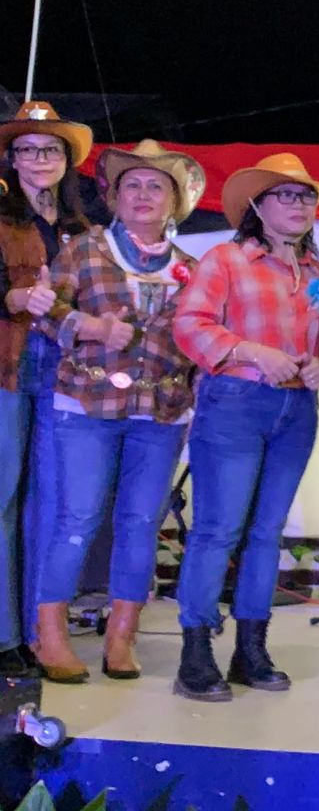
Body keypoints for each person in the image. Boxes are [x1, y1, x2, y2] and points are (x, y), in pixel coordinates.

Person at [171, 153, 319, 702]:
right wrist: (254, 352)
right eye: (286, 195)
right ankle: (195, 652)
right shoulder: (226, 260)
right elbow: (189, 324)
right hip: (234, 403)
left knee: (266, 531)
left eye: (306, 196)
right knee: (218, 529)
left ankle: (251, 649)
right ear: (258, 205)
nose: (299, 205)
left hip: (296, 410)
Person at [33, 141, 202, 683]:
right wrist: (89, 326)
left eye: (156, 186)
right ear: (115, 196)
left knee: (141, 523)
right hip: (85, 402)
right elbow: (46, 313)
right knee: (78, 518)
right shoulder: (84, 250)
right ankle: (49, 634)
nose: (143, 194)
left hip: (161, 410)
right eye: (133, 185)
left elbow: (200, 339)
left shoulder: (192, 269)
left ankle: (121, 636)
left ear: (174, 201)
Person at [0, 102, 94, 678]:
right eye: (27, 149)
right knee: (4, 498)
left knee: (54, 503)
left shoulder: (83, 229)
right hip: (8, 367)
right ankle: (4, 635)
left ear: (66, 161)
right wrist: (9, 298)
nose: (40, 158)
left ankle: (42, 633)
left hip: (68, 373)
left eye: (51, 149)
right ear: (11, 159)